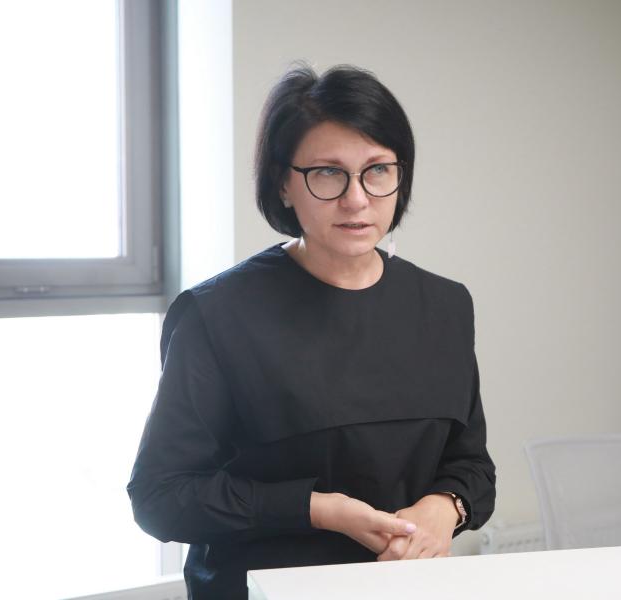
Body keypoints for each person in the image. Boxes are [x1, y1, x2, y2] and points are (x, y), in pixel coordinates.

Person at [127, 64, 496, 600]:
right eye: (327, 173)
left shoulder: (445, 305)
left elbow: (471, 465)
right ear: (283, 183)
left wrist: (445, 507)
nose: (357, 199)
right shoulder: (216, 314)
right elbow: (161, 497)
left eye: (377, 170)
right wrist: (318, 510)